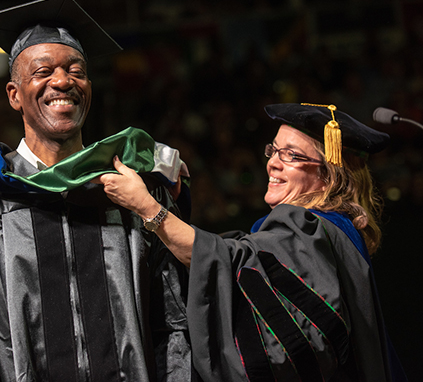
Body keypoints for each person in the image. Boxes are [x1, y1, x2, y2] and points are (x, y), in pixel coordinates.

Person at [0, 0, 192, 382]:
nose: (63, 81)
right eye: (43, 71)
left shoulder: (131, 190)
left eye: (76, 70)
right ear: (14, 96)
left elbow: (172, 318)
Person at [98, 102, 407, 381]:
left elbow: (226, 263)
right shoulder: (334, 231)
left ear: (329, 176)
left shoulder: (310, 227)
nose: (273, 162)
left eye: (292, 155)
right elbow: (238, 257)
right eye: (273, 150)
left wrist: (148, 207)